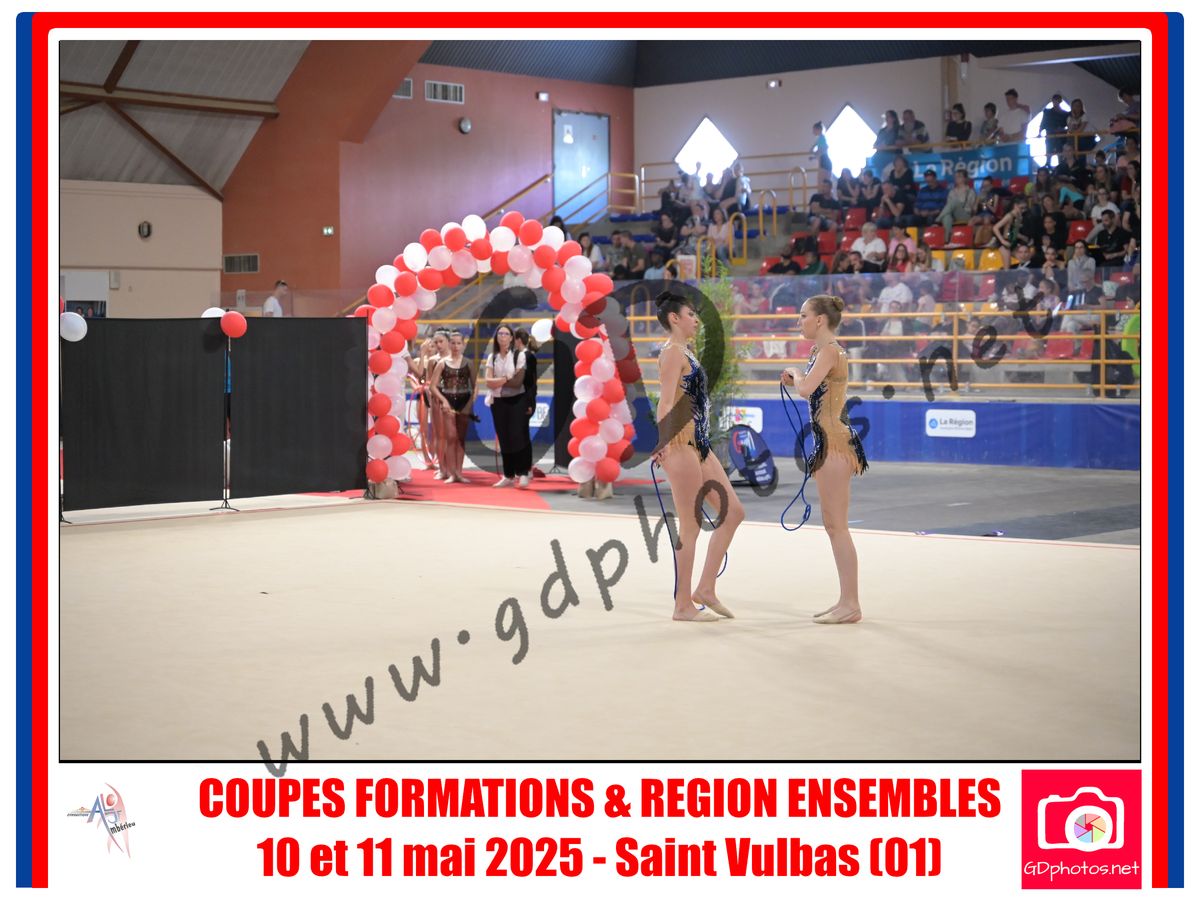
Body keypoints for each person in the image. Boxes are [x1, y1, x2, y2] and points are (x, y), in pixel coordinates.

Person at [650, 291, 745, 622]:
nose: (696, 320)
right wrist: (663, 439)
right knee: (690, 525)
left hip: (699, 443)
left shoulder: (686, 352)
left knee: (733, 513)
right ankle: (682, 605)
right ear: (674, 318)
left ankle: (705, 588)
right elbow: (665, 401)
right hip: (680, 443)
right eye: (690, 314)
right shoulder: (672, 353)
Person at [780, 294, 868, 624]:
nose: (799, 321)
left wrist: (795, 374)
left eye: (803, 315)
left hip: (834, 443)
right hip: (827, 441)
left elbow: (806, 391)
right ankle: (846, 600)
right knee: (833, 526)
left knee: (837, 527)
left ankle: (851, 604)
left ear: (819, 320)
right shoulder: (822, 351)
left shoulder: (830, 350)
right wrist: (798, 376)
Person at [483, 325, 531, 488]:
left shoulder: (519, 355)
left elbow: (517, 382)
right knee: (504, 438)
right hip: (498, 401)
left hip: (516, 400)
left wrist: (498, 381)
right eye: (500, 333)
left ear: (511, 338)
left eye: (506, 334)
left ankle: (523, 472)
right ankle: (508, 474)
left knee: (517, 436)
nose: (502, 336)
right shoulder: (492, 357)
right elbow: (488, 382)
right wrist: (505, 378)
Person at [428, 330, 476, 483]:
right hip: (448, 400)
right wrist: (444, 400)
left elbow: (475, 387)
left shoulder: (469, 363)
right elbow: (432, 386)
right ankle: (451, 473)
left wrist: (469, 405)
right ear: (449, 344)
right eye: (453, 343)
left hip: (464, 400)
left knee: (460, 438)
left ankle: (459, 472)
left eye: (458, 343)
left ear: (463, 345)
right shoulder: (442, 363)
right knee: (451, 437)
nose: (455, 346)